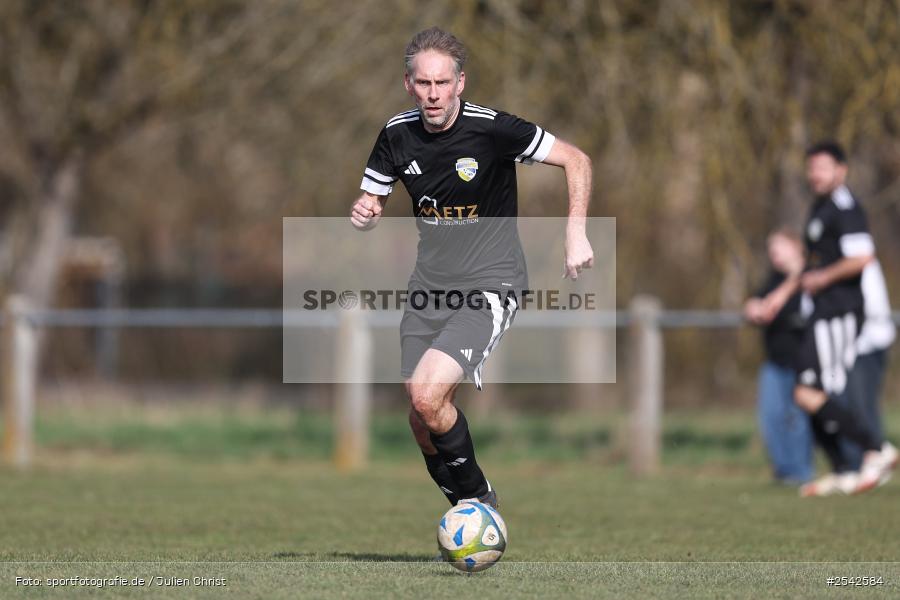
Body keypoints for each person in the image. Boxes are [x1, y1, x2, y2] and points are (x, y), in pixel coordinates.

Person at [349, 27, 594, 508]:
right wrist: (364, 213)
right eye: (424, 83)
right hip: (428, 288)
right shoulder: (396, 135)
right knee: (422, 418)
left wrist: (575, 230)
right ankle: (469, 511)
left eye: (443, 83)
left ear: (461, 83)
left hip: (491, 281)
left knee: (425, 394)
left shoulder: (493, 129)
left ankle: (479, 503)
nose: (433, 93)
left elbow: (577, 159)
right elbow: (370, 202)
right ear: (408, 83)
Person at [788, 141, 897, 496]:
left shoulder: (846, 208)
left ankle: (876, 449)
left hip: (839, 313)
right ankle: (843, 468)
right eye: (811, 167)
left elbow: (862, 257)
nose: (814, 174)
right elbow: (808, 265)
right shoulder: (819, 208)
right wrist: (777, 297)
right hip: (820, 313)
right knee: (809, 394)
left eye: (822, 167)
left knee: (816, 392)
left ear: (841, 170)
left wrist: (822, 279)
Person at [744, 229, 813, 485]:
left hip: (802, 359)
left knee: (797, 418)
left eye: (778, 248)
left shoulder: (811, 277)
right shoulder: (774, 278)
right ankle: (784, 470)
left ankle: (801, 472)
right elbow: (759, 299)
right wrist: (752, 306)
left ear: (795, 246)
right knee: (770, 415)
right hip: (774, 360)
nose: (773, 255)